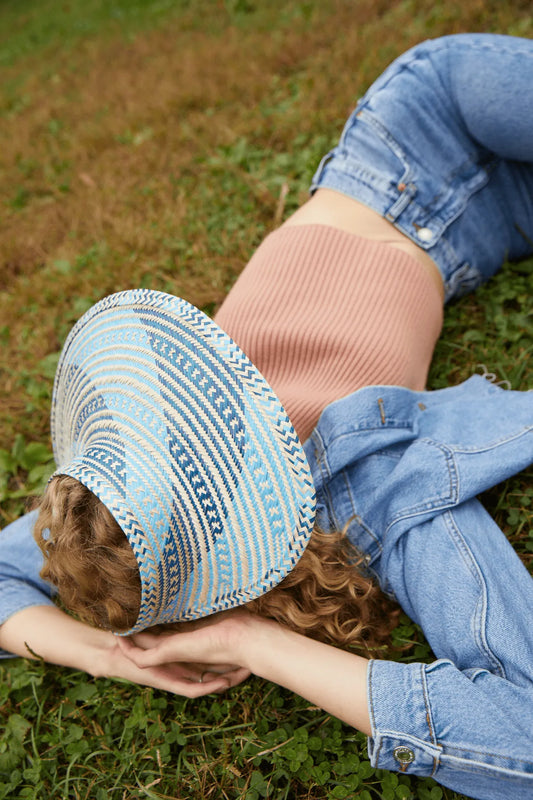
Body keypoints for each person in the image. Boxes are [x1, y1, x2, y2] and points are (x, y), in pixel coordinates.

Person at [0, 33, 532, 800]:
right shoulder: (369, 490)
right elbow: (520, 729)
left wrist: (102, 652)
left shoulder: (111, 512)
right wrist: (244, 644)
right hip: (494, 224)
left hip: (418, 130)